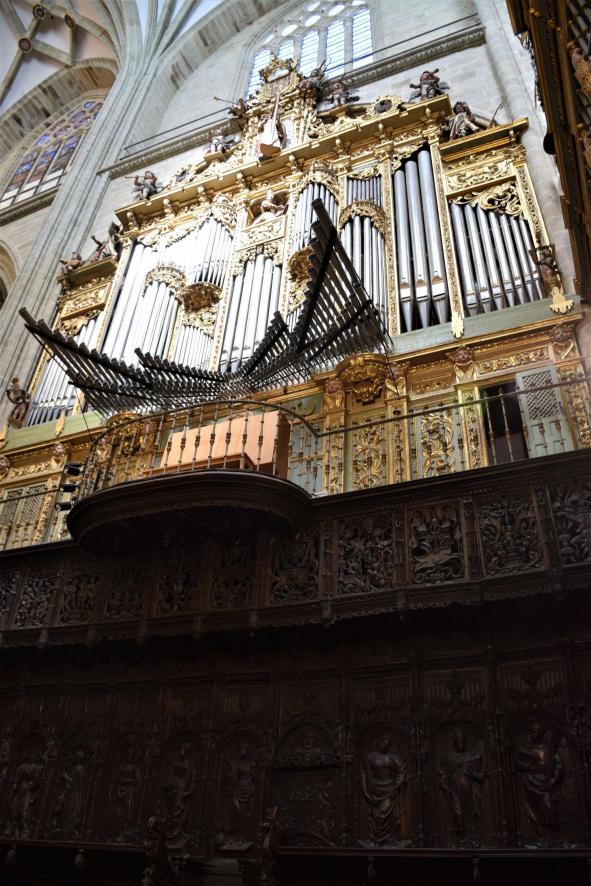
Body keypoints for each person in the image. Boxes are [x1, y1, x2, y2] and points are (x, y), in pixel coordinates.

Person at [439, 726, 487, 845]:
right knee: (458, 812)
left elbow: (481, 774)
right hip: (454, 788)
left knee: (470, 813)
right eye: (459, 742)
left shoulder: (470, 755)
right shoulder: (449, 757)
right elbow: (443, 773)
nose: (461, 745)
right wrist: (444, 785)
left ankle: (472, 837)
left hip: (469, 788)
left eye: (462, 742)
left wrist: (472, 774)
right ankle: (461, 837)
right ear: (454, 743)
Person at [361, 733, 407, 845]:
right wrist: (365, 789)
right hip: (375, 789)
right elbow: (364, 773)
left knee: (385, 812)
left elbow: (402, 769)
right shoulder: (371, 756)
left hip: (389, 789)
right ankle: (375, 838)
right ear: (379, 742)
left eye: (386, 743)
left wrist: (397, 784)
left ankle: (388, 839)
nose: (383, 745)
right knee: (375, 815)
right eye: (382, 742)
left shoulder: (392, 758)